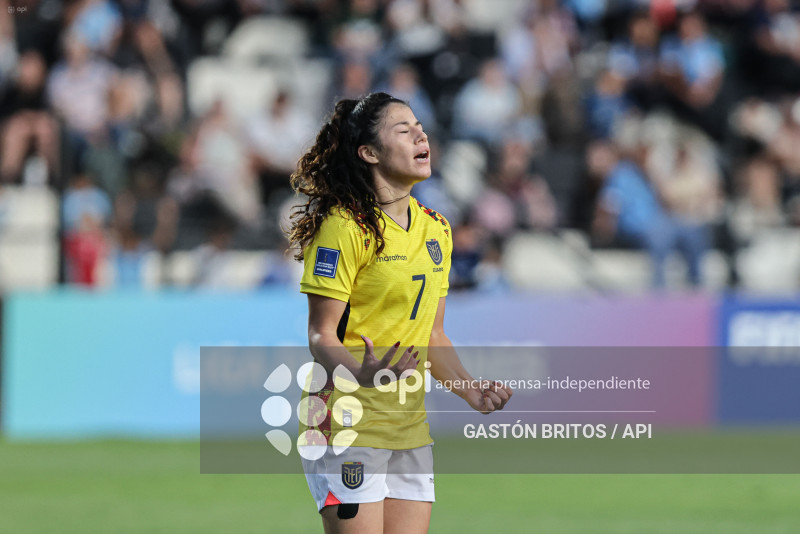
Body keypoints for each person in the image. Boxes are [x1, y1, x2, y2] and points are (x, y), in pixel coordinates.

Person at [287, 92, 512, 533]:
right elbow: (321, 336)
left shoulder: (437, 229)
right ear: (369, 153)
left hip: (408, 425)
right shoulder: (345, 227)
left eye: (420, 127)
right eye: (403, 130)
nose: (420, 135)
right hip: (344, 419)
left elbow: (433, 336)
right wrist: (360, 373)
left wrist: (470, 390)